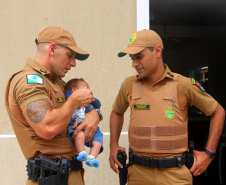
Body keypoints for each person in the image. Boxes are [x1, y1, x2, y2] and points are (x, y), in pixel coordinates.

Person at [109, 29, 225, 185]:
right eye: (132, 58)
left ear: (157, 51)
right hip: (138, 175)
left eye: (139, 57)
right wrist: (113, 144)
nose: (134, 64)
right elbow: (116, 112)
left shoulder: (182, 84)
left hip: (175, 176)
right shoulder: (129, 84)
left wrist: (209, 153)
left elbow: (218, 111)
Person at [5, 26, 101, 185]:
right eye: (69, 56)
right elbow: (47, 127)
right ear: (52, 49)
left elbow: (80, 110)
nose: (73, 63)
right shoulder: (29, 81)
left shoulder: (55, 81)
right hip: (49, 178)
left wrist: (95, 114)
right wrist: (74, 100)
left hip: (72, 174)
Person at [64, 78, 103, 168]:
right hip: (76, 124)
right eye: (86, 87)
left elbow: (97, 106)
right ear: (74, 90)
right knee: (79, 135)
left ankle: (92, 158)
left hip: (91, 126)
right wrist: (76, 96)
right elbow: (69, 95)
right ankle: (81, 153)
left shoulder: (89, 100)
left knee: (98, 140)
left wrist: (92, 100)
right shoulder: (71, 96)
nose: (89, 90)